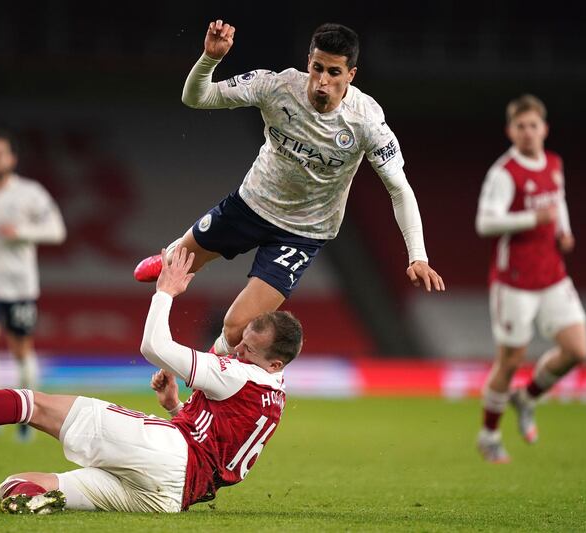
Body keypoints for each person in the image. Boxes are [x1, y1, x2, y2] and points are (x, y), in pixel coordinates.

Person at [0, 245, 300, 514]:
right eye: (240, 343)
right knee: (15, 486)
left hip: (169, 454)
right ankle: (42, 500)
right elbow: (218, 445)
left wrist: (164, 293)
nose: (237, 350)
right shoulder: (272, 395)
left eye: (248, 349)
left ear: (275, 363)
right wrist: (173, 406)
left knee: (32, 403)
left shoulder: (242, 376)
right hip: (172, 495)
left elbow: (154, 348)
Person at [134, 20, 445, 355]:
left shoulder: (366, 121)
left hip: (302, 233)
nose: (323, 81)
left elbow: (399, 189)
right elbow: (197, 97)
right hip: (249, 205)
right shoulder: (277, 86)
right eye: (317, 68)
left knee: (237, 327)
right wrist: (210, 59)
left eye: (334, 73)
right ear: (308, 62)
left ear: (351, 75)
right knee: (170, 268)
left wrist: (418, 256)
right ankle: (175, 252)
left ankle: (203, 381)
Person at [475, 94, 586, 463]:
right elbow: (485, 223)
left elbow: (559, 201)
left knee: (577, 350)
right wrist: (531, 220)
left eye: (533, 125)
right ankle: (489, 435)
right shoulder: (504, 173)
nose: (527, 132)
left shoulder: (553, 163)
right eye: (520, 126)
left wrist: (564, 230)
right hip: (515, 281)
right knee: (510, 360)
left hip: (552, 275)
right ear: (510, 131)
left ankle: (527, 398)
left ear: (544, 128)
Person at [0, 130, 66, 440]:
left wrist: (20, 231)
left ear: (12, 159)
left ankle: (27, 412)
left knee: (21, 351)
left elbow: (56, 230)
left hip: (20, 284)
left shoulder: (31, 193)